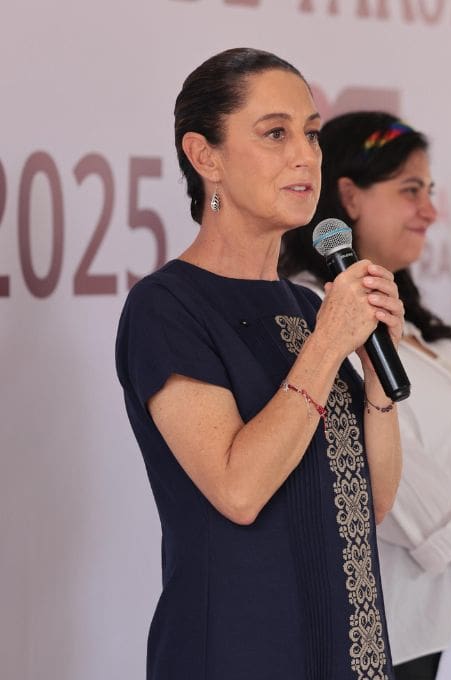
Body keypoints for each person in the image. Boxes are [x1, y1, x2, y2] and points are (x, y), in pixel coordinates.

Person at [116, 48, 406, 680]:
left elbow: (371, 502)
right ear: (205, 157)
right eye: (275, 134)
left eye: (310, 135)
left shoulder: (306, 304)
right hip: (239, 649)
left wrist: (379, 371)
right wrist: (329, 344)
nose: (305, 156)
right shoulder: (166, 307)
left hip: (344, 642)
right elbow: (239, 491)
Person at [278, 110, 451, 678]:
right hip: (390, 622)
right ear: (349, 196)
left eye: (429, 191)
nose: (429, 212)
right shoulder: (310, 314)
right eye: (410, 191)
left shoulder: (413, 320)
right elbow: (361, 449)